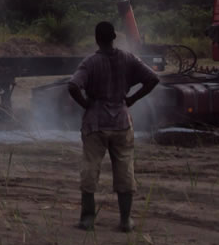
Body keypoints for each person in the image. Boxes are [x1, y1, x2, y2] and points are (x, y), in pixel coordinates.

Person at [68, 21, 159, 232]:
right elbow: (153, 79)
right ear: (114, 38)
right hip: (121, 121)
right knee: (125, 168)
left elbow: (73, 85)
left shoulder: (90, 62)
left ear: (96, 38)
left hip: (95, 123)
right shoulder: (128, 59)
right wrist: (132, 99)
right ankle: (126, 220)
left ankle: (87, 219)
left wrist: (85, 104)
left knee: (90, 167)